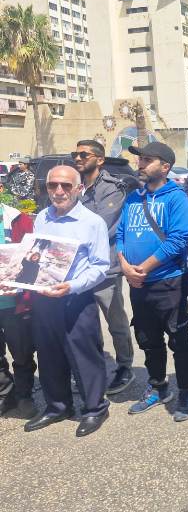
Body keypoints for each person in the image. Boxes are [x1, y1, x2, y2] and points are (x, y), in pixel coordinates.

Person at [20, 165, 111, 437]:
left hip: (75, 298)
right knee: (49, 355)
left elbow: (100, 267)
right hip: (44, 299)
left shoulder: (92, 222)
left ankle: (95, 408)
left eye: (66, 185)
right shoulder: (42, 218)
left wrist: (72, 286)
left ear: (79, 188)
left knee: (84, 355)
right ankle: (58, 406)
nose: (58, 191)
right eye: (53, 185)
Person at [116, 141, 188, 421]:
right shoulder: (132, 198)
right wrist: (125, 266)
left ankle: (187, 390)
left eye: (147, 160)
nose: (140, 164)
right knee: (147, 339)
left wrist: (144, 268)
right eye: (140, 159)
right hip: (138, 283)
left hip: (168, 282)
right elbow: (120, 235)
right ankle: (158, 386)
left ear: (165, 167)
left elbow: (178, 240)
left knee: (178, 338)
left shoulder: (177, 199)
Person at [73, 139, 135, 394]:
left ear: (99, 159)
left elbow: (102, 225)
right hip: (76, 269)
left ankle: (124, 366)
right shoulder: (72, 186)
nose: (78, 158)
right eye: (75, 154)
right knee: (84, 322)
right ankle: (92, 369)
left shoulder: (112, 187)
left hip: (104, 267)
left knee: (115, 319)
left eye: (84, 154)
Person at [0, 191, 36, 419]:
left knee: (22, 352)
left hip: (15, 302)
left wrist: (21, 279)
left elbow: (36, 260)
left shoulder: (19, 220)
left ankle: (24, 395)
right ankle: (6, 394)